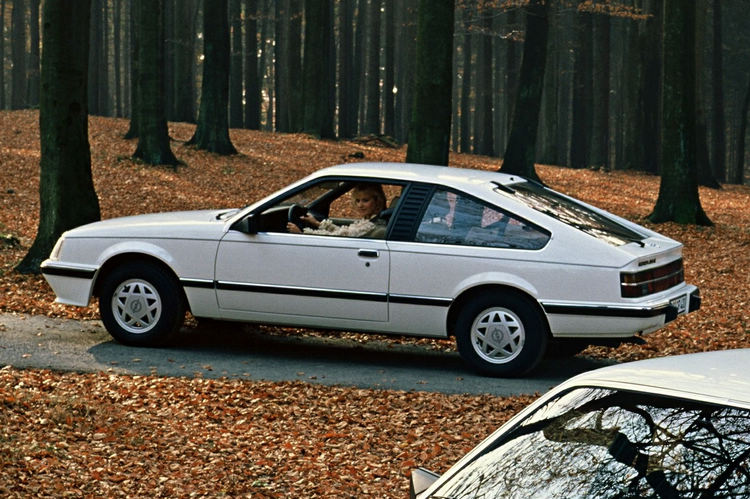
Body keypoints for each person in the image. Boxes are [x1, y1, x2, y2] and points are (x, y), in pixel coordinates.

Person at [286, 183, 387, 238]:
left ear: (377, 201)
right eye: (357, 201)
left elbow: (335, 236)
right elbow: (343, 232)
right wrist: (317, 223)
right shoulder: (370, 220)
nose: (360, 205)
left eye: (365, 200)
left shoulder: (370, 226)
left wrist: (302, 234)